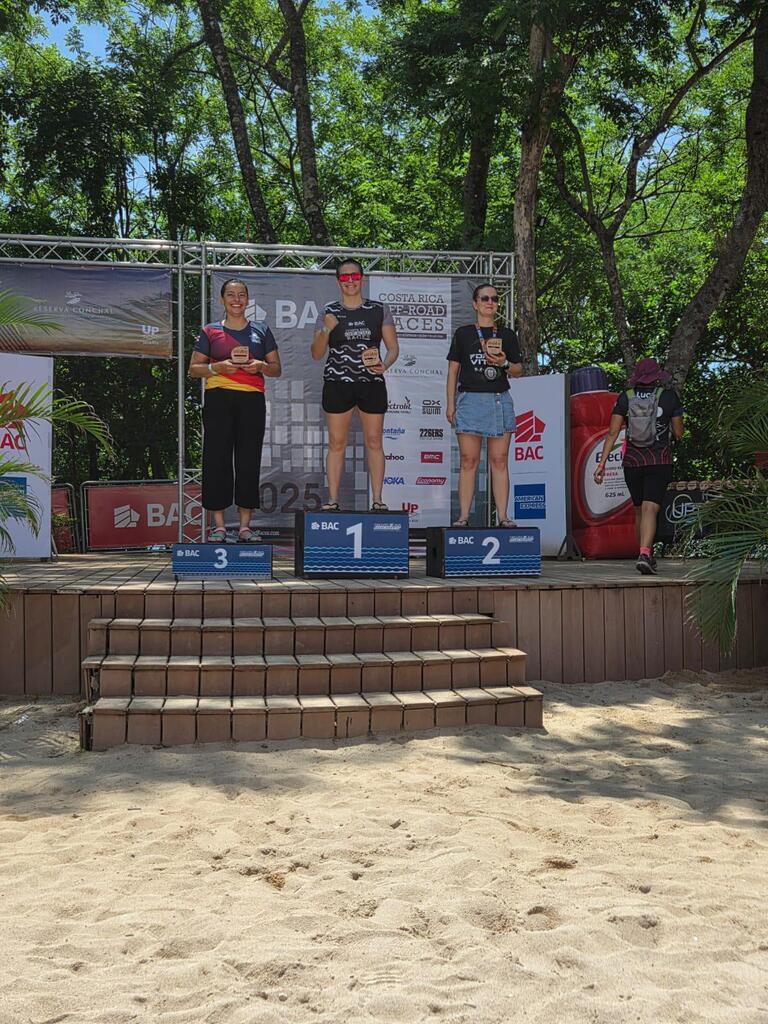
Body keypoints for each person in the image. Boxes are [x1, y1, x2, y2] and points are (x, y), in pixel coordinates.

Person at [189, 278, 281, 542]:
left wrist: (260, 366)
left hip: (252, 400)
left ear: (248, 300)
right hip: (218, 398)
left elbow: (276, 369)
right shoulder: (210, 331)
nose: (236, 299)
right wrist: (216, 368)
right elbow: (193, 369)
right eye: (231, 295)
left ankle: (244, 527)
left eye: (241, 295)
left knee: (248, 460)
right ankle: (218, 527)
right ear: (222, 300)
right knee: (216, 459)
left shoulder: (261, 331)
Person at [311, 258, 399, 511]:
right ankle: (332, 500)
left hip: (371, 383)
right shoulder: (329, 311)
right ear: (338, 281)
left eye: (355, 276)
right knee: (337, 443)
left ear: (362, 278)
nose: (350, 281)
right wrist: (326, 331)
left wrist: (386, 364)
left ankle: (378, 500)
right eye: (345, 277)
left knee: (374, 441)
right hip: (337, 382)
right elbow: (316, 353)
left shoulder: (379, 309)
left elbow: (393, 348)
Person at [594, 357, 684, 575]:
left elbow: (613, 432)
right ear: (656, 377)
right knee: (650, 508)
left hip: (632, 462)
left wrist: (602, 464)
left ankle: (645, 554)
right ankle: (645, 554)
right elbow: (680, 434)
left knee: (638, 511)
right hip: (659, 460)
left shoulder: (626, 397)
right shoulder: (669, 397)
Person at [446, 283, 523, 527]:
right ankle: (463, 517)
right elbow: (453, 371)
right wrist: (451, 404)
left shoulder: (508, 334)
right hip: (469, 399)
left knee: (499, 461)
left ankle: (503, 517)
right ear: (475, 304)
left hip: (499, 398)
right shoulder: (464, 333)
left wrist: (503, 363)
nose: (491, 302)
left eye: (495, 299)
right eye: (485, 298)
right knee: (468, 461)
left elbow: (519, 370)